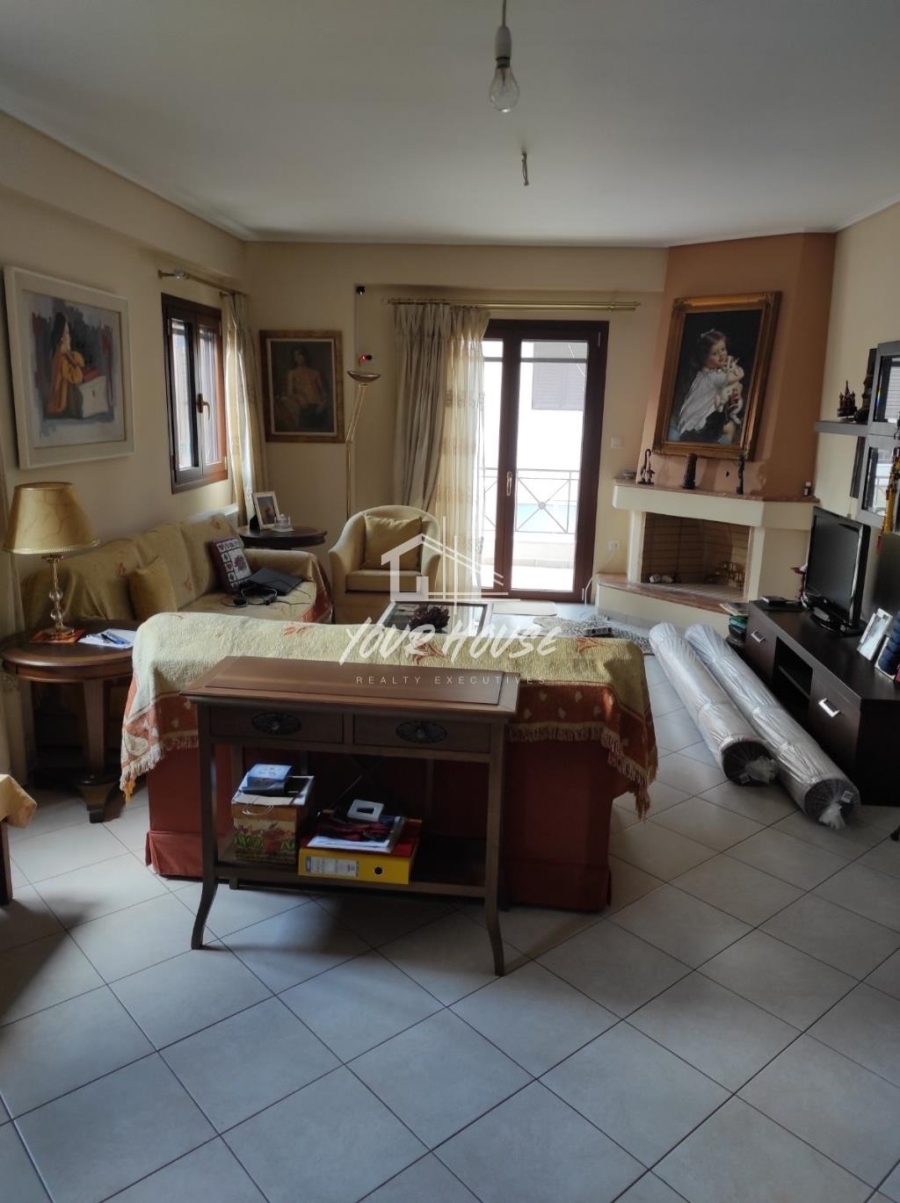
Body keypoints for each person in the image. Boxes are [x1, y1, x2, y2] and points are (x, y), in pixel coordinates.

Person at [672, 329, 745, 443]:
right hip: (697, 427)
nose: (721, 355)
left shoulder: (703, 374)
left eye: (723, 349)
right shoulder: (713, 377)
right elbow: (738, 375)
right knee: (730, 428)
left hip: (688, 424)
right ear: (704, 358)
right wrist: (735, 367)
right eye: (714, 353)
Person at [275, 346, 329, 432]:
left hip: (318, 406)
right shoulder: (292, 373)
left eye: (300, 355)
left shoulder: (315, 373)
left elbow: (324, 392)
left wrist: (323, 404)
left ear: (305, 356)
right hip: (304, 407)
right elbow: (289, 393)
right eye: (295, 356)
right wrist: (299, 398)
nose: (298, 358)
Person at [46, 313, 84, 418]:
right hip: (60, 409)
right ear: (61, 338)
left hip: (57, 408)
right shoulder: (62, 359)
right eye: (67, 333)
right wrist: (69, 355)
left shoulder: (58, 355)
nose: (70, 337)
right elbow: (78, 376)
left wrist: (69, 354)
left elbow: (80, 361)